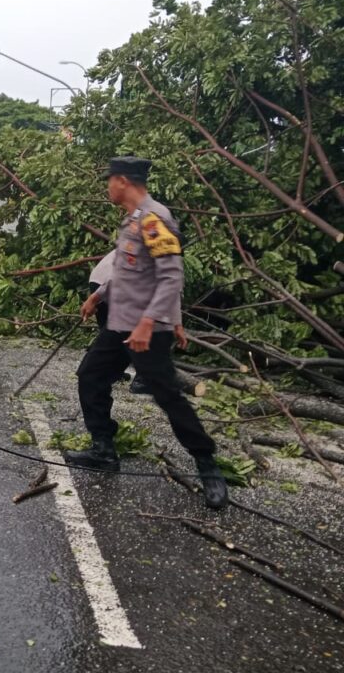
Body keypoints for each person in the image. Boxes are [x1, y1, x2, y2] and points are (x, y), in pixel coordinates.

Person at [71, 156, 228, 509]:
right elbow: (129, 272)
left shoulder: (155, 219)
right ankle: (103, 449)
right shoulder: (133, 220)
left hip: (146, 330)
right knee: (90, 377)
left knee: (167, 395)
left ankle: (207, 465)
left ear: (123, 181)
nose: (107, 187)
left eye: (109, 180)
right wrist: (98, 296)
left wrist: (150, 322)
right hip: (120, 326)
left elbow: (171, 277)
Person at [89, 250, 149, 394]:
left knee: (110, 332)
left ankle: (109, 372)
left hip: (98, 279)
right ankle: (141, 380)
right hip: (112, 282)